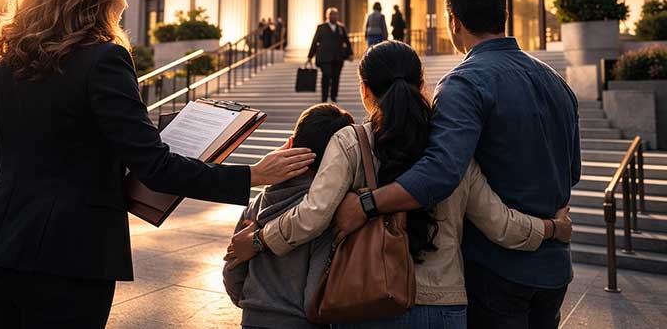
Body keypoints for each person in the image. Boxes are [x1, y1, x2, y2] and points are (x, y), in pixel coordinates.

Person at [0, 0, 315, 329]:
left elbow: (3, 160)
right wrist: (254, 174)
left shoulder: (1, 62)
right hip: (69, 256)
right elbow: (154, 167)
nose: (125, 3)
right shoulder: (104, 58)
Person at [227, 40, 572, 328]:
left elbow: (312, 216)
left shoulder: (351, 143)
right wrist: (551, 227)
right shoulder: (453, 152)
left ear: (364, 90)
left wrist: (258, 240)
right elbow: (501, 225)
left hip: (365, 300)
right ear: (422, 84)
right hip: (443, 307)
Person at [333, 0, 581, 329]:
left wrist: (367, 203)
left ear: (453, 21)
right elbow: (572, 172)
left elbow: (440, 173)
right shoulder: (556, 82)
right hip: (554, 270)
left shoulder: (464, 83)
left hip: (495, 270)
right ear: (504, 16)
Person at [223, 103, 355, 329]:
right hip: (300, 321)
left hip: (253, 318)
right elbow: (315, 288)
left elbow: (232, 269)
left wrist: (252, 305)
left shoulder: (259, 202)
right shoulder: (325, 211)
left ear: (291, 144)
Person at [307, 7, 352, 103]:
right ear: (327, 16)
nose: (334, 16)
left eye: (335, 15)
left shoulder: (341, 28)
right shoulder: (321, 27)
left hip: (338, 58)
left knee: (336, 77)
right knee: (326, 76)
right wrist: (310, 56)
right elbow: (315, 42)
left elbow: (347, 42)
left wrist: (350, 54)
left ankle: (333, 96)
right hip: (324, 58)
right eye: (331, 14)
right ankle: (324, 97)